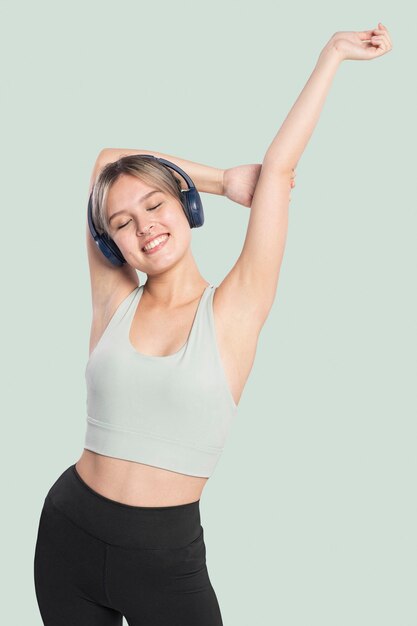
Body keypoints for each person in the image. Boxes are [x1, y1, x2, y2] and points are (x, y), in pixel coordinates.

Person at [33, 23, 392, 626]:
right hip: (67, 535)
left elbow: (278, 169)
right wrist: (222, 179)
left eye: (156, 204)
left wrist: (332, 55)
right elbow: (106, 164)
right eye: (122, 222)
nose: (143, 225)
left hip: (163, 562)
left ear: (184, 207)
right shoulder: (112, 300)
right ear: (113, 244)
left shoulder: (233, 311)